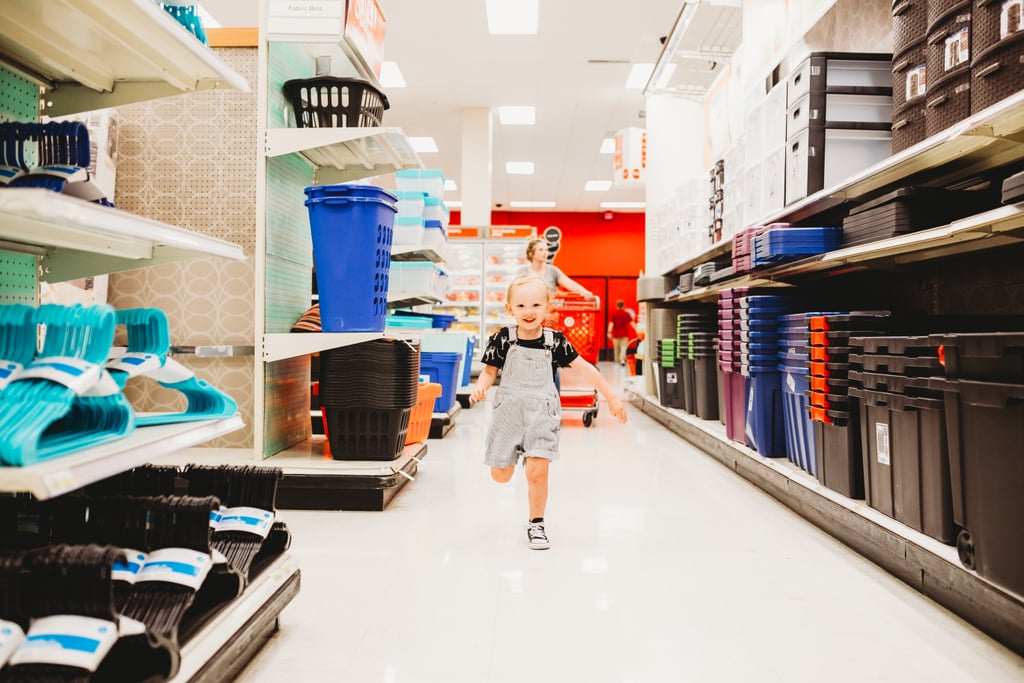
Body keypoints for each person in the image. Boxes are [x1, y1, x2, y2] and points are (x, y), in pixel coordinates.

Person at [470, 275, 628, 550]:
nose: (528, 312)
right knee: (500, 475)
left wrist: (611, 397)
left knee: (538, 472)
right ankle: (514, 458)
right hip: (508, 415)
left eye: (535, 305)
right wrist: (480, 388)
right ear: (510, 309)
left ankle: (536, 524)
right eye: (521, 306)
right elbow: (489, 371)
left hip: (541, 415)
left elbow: (587, 369)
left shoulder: (555, 341)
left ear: (547, 307)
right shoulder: (502, 340)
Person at [517, 237, 593, 298]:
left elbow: (570, 284)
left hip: (551, 313)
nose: (545, 252)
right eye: (540, 250)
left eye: (546, 250)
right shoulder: (523, 272)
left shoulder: (552, 270)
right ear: (531, 254)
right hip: (531, 313)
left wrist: (585, 292)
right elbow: (517, 292)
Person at [607, 299, 635, 366]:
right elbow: (632, 323)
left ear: (617, 306)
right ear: (623, 306)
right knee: (623, 347)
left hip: (615, 334)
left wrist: (609, 332)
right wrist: (636, 330)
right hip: (624, 334)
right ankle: (622, 360)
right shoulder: (626, 314)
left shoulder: (614, 314)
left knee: (616, 348)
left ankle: (616, 361)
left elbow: (611, 324)